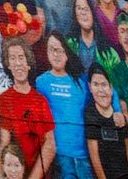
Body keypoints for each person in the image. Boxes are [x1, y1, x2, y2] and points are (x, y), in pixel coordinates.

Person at [0, 36, 56, 179]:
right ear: (8, 65)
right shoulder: (6, 98)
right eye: (12, 59)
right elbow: (4, 142)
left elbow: (50, 144)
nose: (18, 63)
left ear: (28, 64)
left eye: (21, 58)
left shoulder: (40, 100)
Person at [35, 30, 92, 179]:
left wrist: (118, 110)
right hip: (59, 156)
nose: (56, 54)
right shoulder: (41, 82)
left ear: (67, 53)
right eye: (52, 50)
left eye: (60, 50)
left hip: (83, 155)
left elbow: (103, 92)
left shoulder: (80, 81)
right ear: (46, 54)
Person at [84, 63, 128, 179]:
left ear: (111, 88)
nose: (100, 90)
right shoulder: (90, 114)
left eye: (104, 85)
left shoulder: (120, 116)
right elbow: (94, 155)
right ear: (90, 87)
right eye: (95, 85)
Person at [70, 0, 119, 71]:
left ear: (93, 14)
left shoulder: (110, 54)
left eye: (86, 9)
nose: (83, 13)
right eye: (79, 8)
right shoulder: (68, 46)